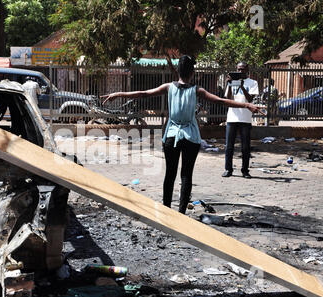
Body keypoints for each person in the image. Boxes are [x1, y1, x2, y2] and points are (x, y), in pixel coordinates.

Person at [101, 55, 265, 214]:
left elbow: (144, 93)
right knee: (186, 175)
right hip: (191, 136)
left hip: (171, 135)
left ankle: (166, 210)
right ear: (192, 73)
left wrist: (118, 94)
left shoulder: (168, 87)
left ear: (178, 71)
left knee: (169, 174)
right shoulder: (197, 90)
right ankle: (181, 213)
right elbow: (220, 101)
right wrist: (247, 105)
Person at [223, 62, 259, 179]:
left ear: (247, 70)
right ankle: (228, 169)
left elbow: (250, 99)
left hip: (245, 119)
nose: (240, 72)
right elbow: (227, 99)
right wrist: (229, 84)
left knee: (245, 147)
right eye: (238, 69)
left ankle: (245, 170)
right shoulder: (231, 82)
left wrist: (242, 86)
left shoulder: (253, 83)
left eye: (243, 70)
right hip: (232, 117)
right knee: (229, 146)